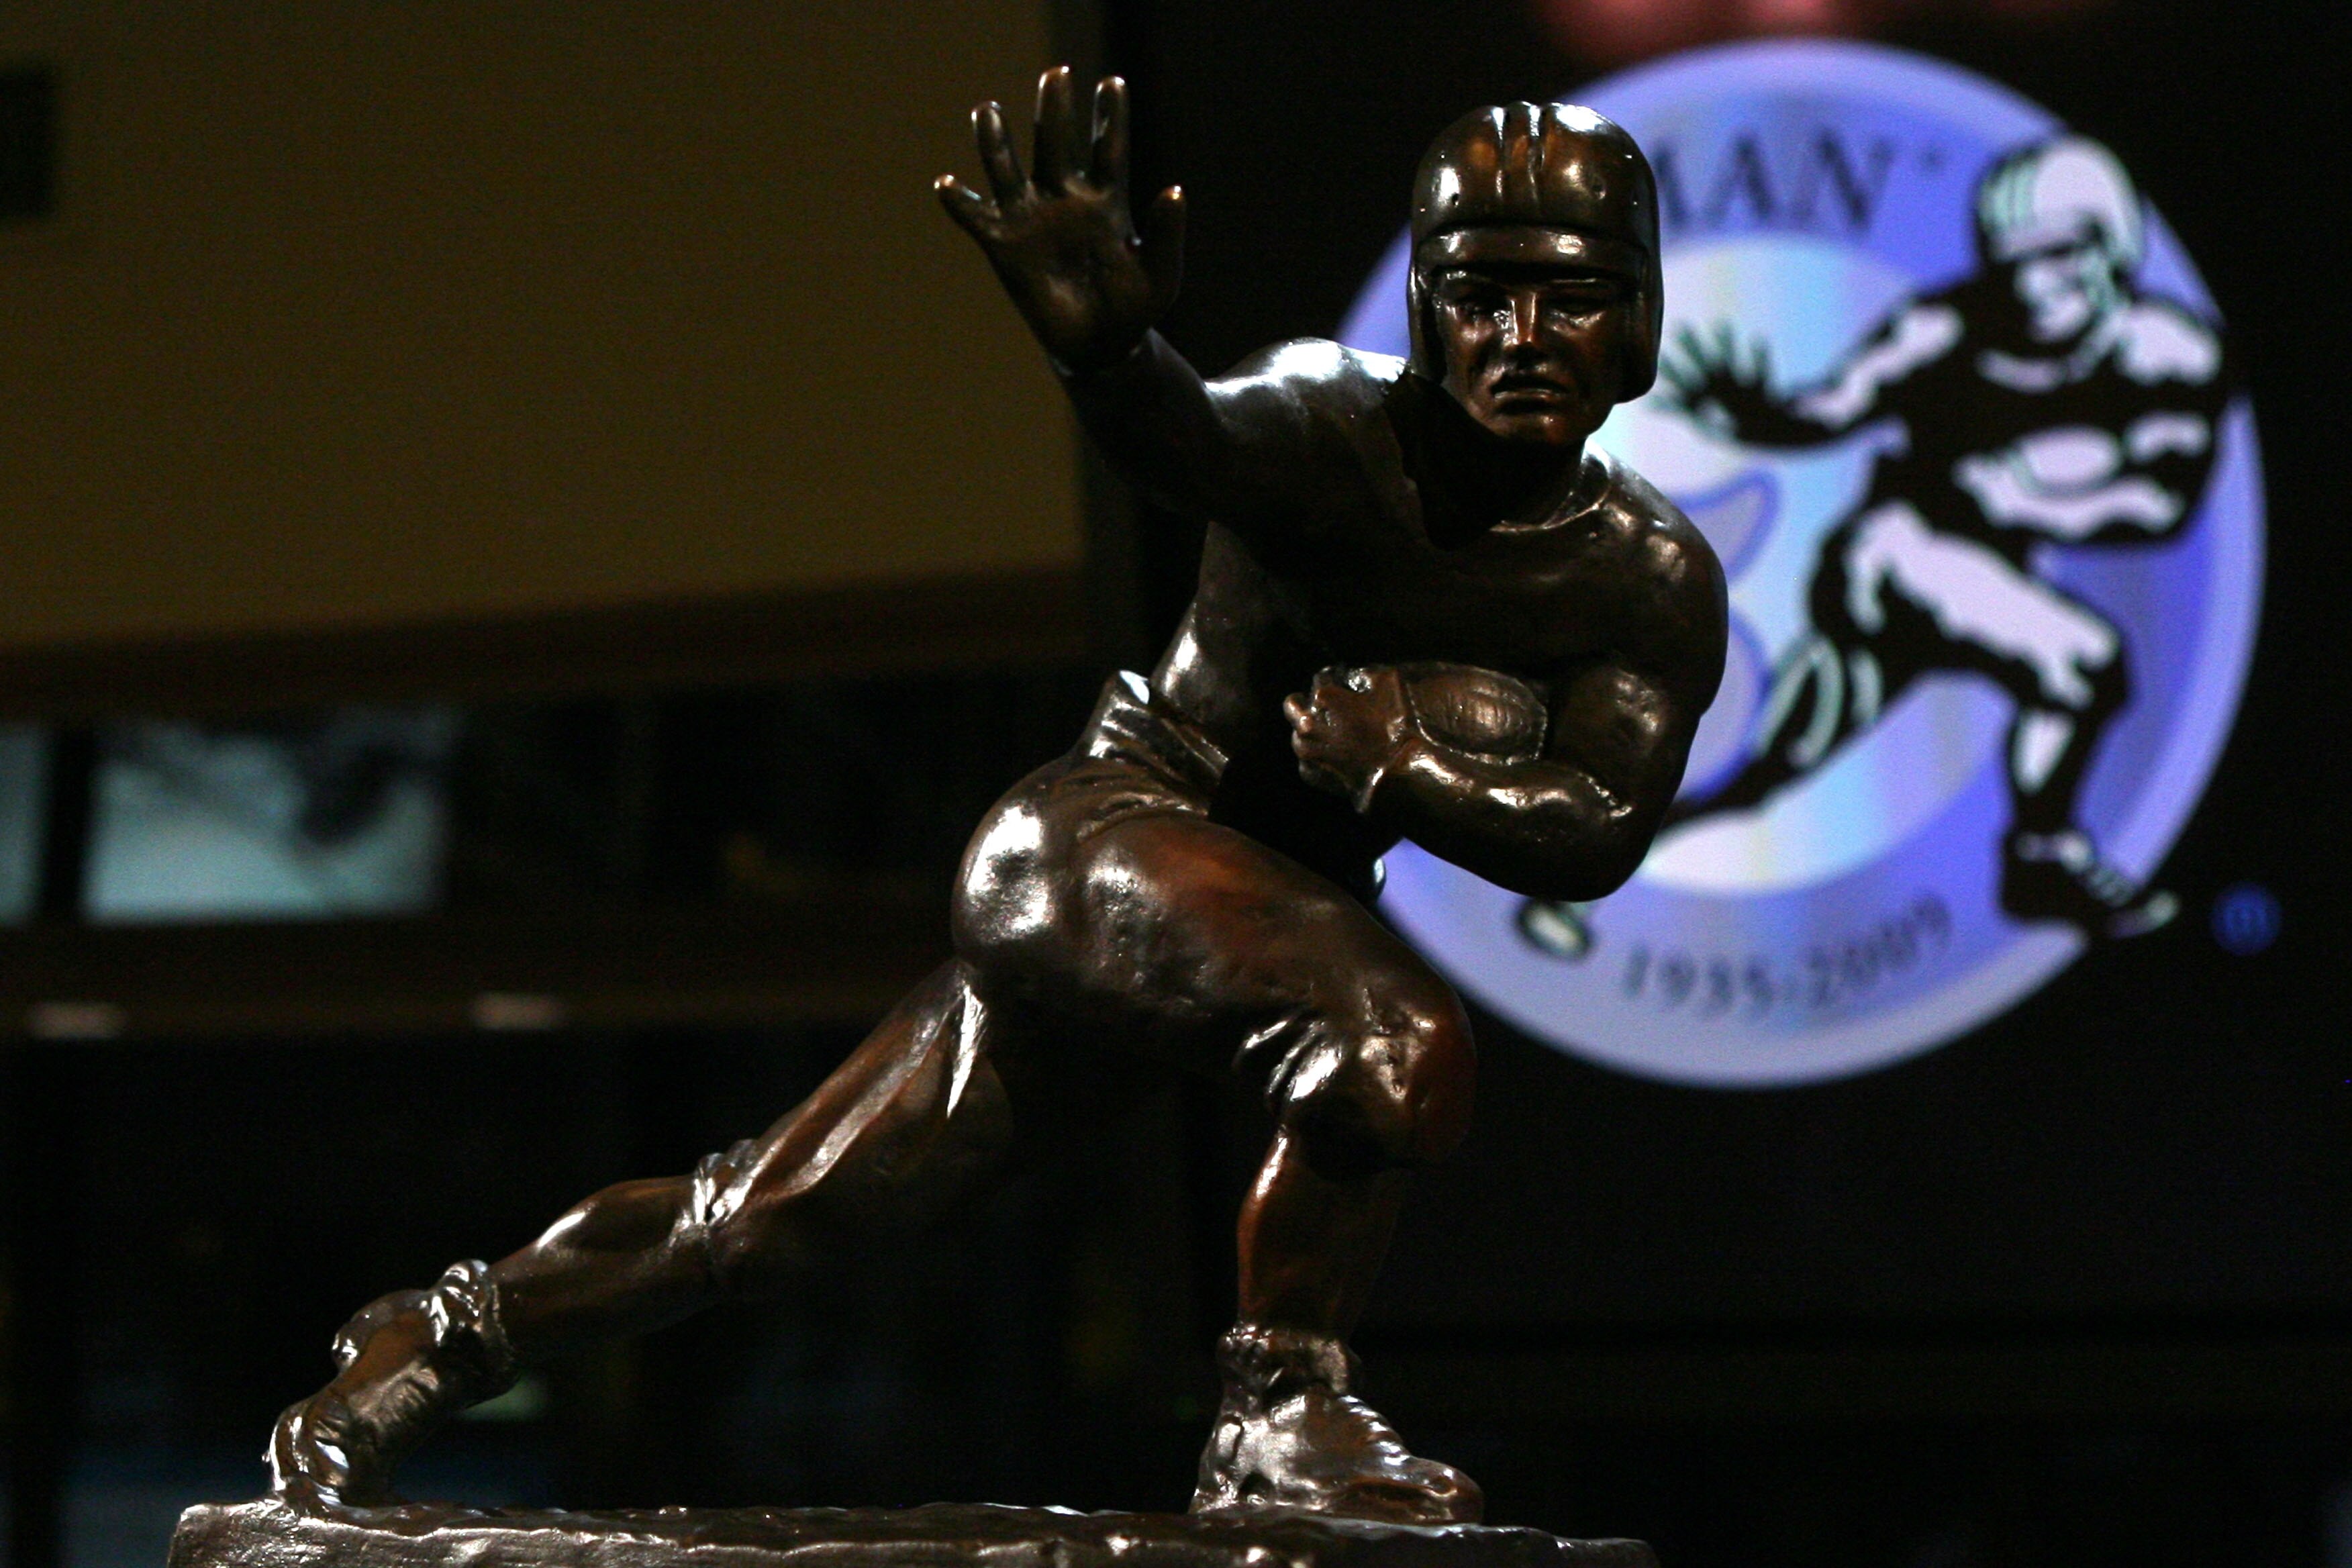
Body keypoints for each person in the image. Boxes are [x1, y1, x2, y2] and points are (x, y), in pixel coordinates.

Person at [268, 74, 1724, 1524]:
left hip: (1233, 920)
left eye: (1573, 299)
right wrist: (1108, 356)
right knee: (1393, 1038)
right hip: (1105, 845)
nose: (1524, 339)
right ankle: (1278, 1410)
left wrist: (1414, 767)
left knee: (774, 1214)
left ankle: (427, 1343)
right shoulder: (1337, 429)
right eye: (1484, 298)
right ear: (1426, 308)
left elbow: (1596, 825)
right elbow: (1186, 440)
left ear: (1639, 319)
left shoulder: (1641, 580)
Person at [1653, 136, 2225, 939]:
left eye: (2058, 253)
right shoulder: (1942, 327)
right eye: (2012, 259)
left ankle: (2039, 858)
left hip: (1988, 568)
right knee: (2081, 661)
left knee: (1770, 772)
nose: (2033, 282)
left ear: (2109, 247)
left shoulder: (2171, 353)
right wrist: (1757, 415)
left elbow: (2164, 503)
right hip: (1893, 558)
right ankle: (2041, 858)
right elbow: (1834, 407)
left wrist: (2031, 502)